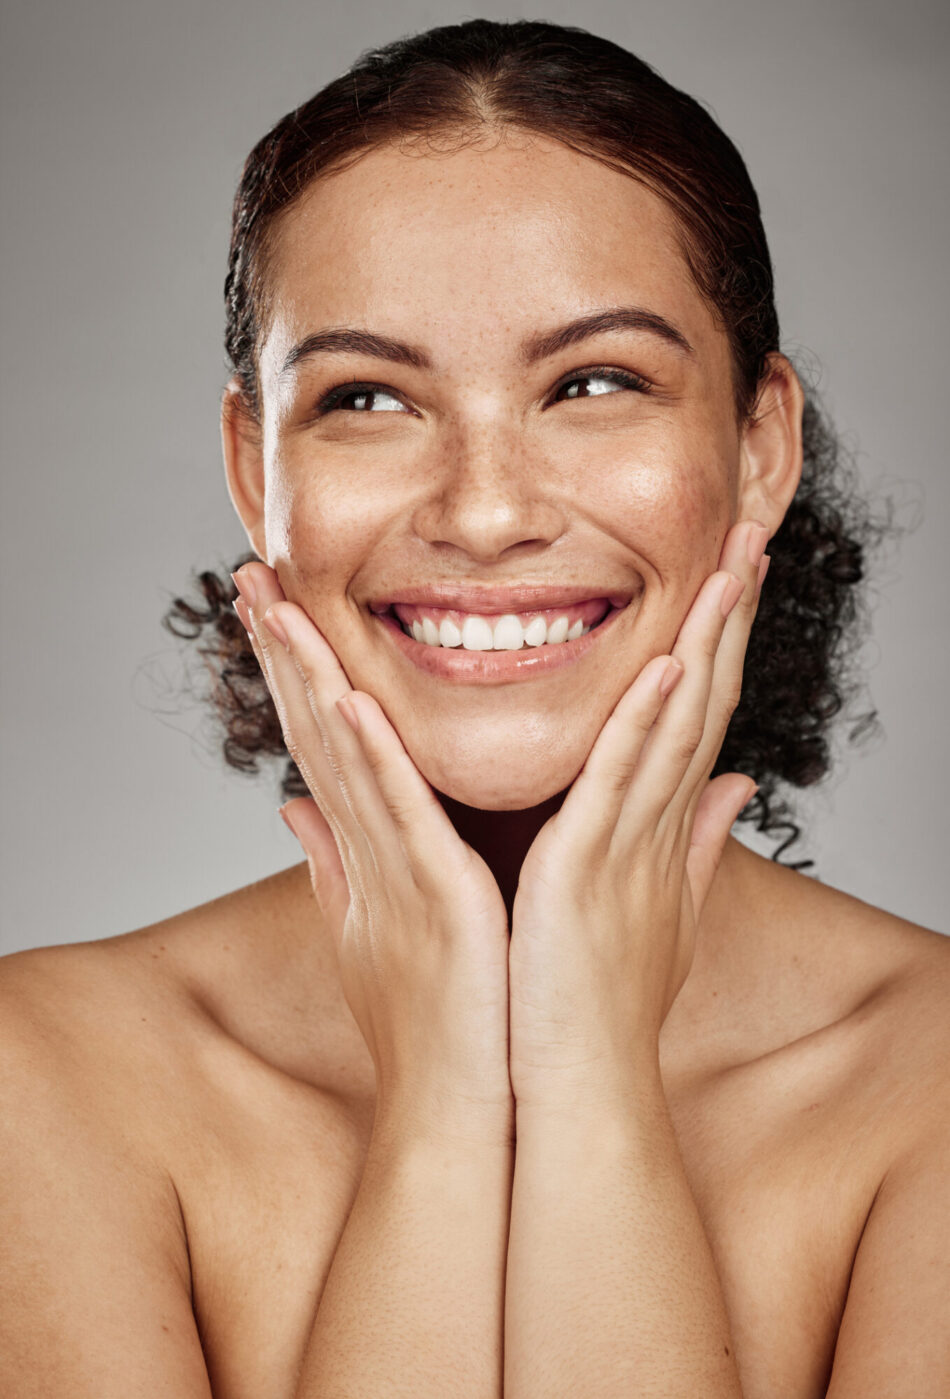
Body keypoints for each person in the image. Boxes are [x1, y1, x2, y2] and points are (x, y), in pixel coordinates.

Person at [1, 17, 946, 1398]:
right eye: (369, 397)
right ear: (256, 469)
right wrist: (446, 1100)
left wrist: (589, 1078)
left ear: (757, 450)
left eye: (593, 383)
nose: (485, 512)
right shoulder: (47, 1081)